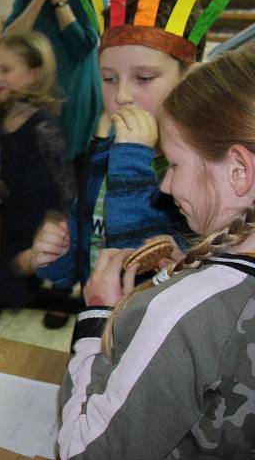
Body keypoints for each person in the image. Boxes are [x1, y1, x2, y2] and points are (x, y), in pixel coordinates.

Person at [58, 43, 255, 459]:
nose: (165, 186)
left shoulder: (184, 312)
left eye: (175, 166)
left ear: (239, 170)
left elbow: (80, 452)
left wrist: (96, 319)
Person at [29, 0, 202, 306]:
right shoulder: (106, 153)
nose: (121, 96)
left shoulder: (202, 174)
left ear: (190, 79)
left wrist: (130, 161)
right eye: (109, 78)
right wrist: (58, 257)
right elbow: (89, 255)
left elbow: (146, 275)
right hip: (98, 329)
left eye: (144, 78)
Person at [0, 32, 76, 334]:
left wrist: (40, 246)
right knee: (17, 294)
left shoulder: (45, 128)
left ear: (34, 73)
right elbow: (0, 179)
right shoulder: (2, 121)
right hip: (13, 229)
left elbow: (66, 192)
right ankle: (84, 305)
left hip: (36, 235)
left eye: (6, 70)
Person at [4, 0, 105, 161]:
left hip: (76, 96)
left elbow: (84, 45)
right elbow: (9, 40)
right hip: (36, 96)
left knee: (71, 171)